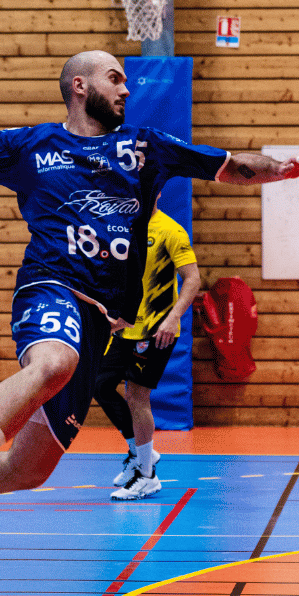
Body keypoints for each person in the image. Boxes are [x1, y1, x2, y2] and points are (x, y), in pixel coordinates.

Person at [0, 50, 299, 581]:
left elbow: (231, 166)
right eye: (115, 78)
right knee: (53, 363)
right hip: (51, 286)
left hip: (102, 320)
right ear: (79, 86)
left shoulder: (145, 147)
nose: (126, 89)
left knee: (27, 469)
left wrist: (284, 168)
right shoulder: (32, 146)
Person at [93, 201, 202, 499]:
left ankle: (147, 476)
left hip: (156, 330)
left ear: (157, 191)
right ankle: (141, 452)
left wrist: (173, 317)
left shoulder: (170, 230)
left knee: (136, 396)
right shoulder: (120, 226)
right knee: (100, 385)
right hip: (125, 326)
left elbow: (193, 278)